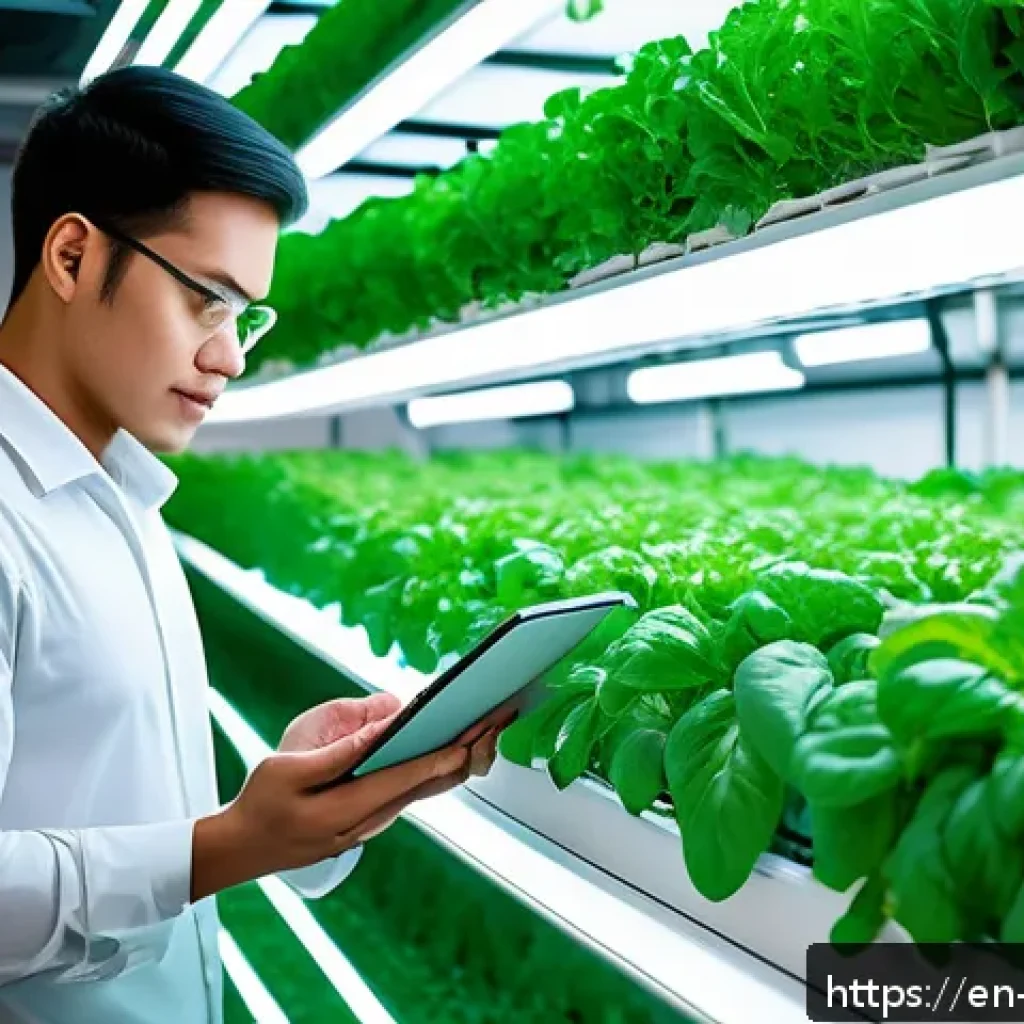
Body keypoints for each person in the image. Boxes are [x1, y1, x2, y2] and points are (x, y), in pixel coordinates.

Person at [0, 66, 509, 1024]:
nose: (231, 356)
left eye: (248, 317)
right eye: (208, 299)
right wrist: (226, 844)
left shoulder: (128, 500)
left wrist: (280, 801)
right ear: (71, 257)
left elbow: (103, 811)